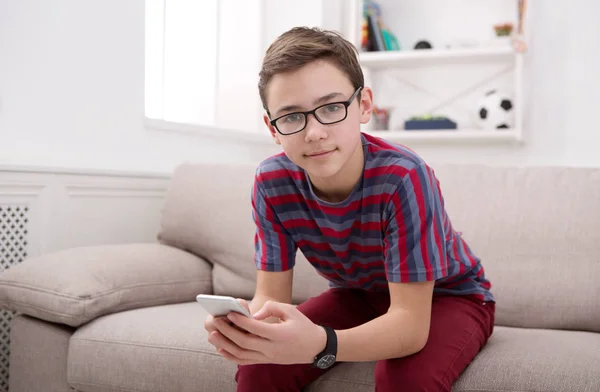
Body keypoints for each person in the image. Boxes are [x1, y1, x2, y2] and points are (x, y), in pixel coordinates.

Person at [204, 26, 495, 392]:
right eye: (292, 117)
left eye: (331, 108)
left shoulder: (403, 177)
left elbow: (408, 325)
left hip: (447, 297)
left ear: (364, 106)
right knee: (259, 367)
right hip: (357, 294)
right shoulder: (271, 182)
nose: (314, 132)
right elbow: (271, 298)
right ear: (272, 128)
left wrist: (322, 343)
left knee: (404, 379)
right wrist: (249, 326)